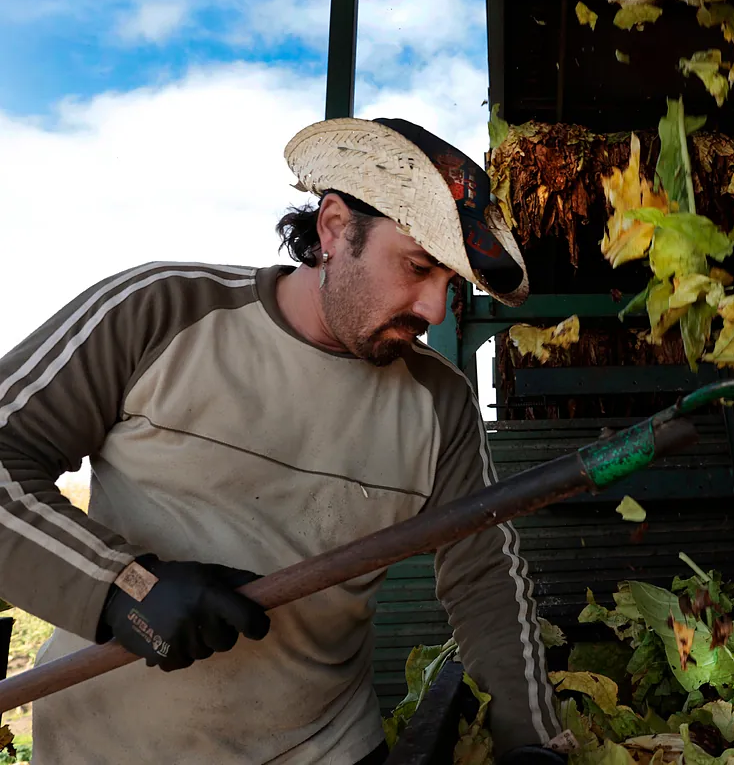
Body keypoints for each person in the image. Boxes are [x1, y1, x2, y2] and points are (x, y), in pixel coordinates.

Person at [0, 117, 570, 764]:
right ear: (333, 228)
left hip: (322, 750)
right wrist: (124, 589)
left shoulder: (439, 403)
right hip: (106, 746)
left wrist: (535, 745)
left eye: (451, 285)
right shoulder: (157, 313)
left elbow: (484, 579)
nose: (436, 310)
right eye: (417, 267)